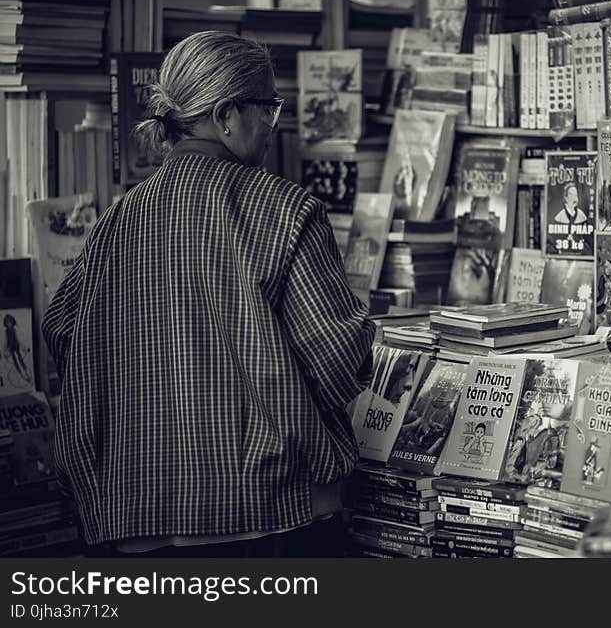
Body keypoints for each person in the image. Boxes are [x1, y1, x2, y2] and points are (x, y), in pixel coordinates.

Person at [42, 32, 375, 558]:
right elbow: (335, 359)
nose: (274, 124)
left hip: (131, 520)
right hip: (266, 516)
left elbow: (61, 330)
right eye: (267, 107)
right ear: (226, 114)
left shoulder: (116, 219)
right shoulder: (285, 210)